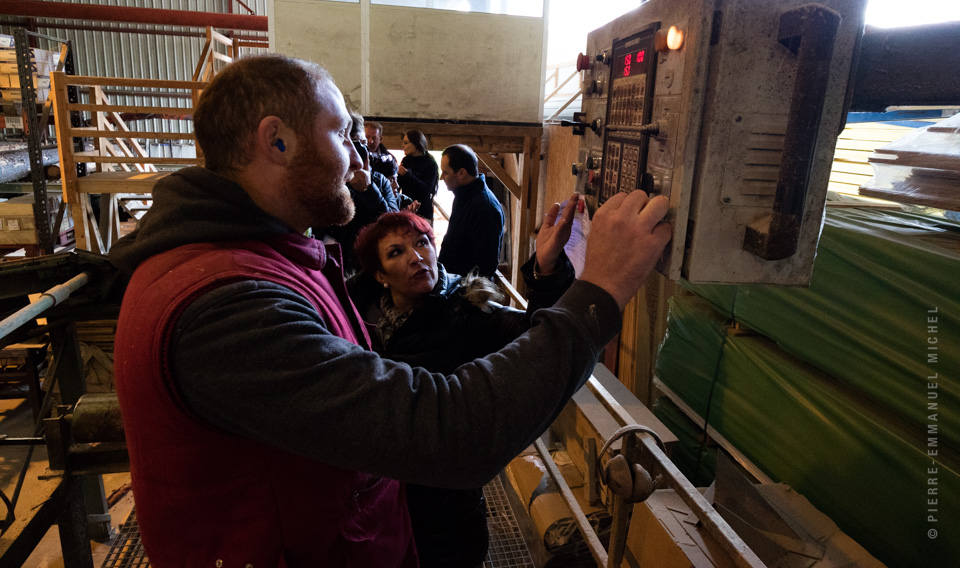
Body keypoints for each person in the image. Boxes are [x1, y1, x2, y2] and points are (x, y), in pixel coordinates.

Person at [109, 54, 672, 568]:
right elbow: (448, 431)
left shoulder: (264, 263)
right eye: (342, 134)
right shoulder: (225, 305)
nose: (358, 158)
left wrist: (549, 278)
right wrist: (601, 289)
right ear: (276, 141)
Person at [348, 198, 577, 567]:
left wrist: (547, 270)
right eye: (396, 252)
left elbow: (536, 336)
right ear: (380, 276)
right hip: (382, 492)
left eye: (422, 243)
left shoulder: (469, 308)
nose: (416, 257)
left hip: (444, 503)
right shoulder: (362, 315)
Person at [319, 112, 399, 273]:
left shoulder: (379, 182)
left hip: (368, 268)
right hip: (331, 266)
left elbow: (394, 227)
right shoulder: (324, 180)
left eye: (362, 144)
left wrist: (368, 190)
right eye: (350, 144)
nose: (357, 152)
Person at [438, 144, 505, 277]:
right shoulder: (462, 195)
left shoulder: (485, 207)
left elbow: (484, 266)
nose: (441, 177)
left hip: (466, 288)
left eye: (445, 172)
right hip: (452, 281)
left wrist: (459, 287)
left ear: (462, 173)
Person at [396, 129, 438, 224]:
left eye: (406, 143)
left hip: (423, 211)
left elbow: (426, 189)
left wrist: (407, 175)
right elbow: (400, 185)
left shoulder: (430, 164)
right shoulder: (406, 160)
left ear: (416, 143)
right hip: (407, 209)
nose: (402, 146)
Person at [363, 119, 399, 186]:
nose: (370, 141)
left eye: (374, 138)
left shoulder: (390, 160)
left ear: (380, 139)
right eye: (367, 137)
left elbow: (395, 182)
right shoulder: (356, 156)